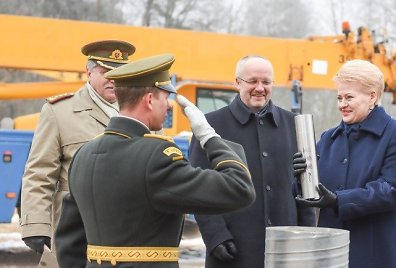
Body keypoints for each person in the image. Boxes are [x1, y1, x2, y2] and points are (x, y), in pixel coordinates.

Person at [54, 53, 256, 267]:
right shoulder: (156, 156)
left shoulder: (84, 154)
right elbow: (239, 188)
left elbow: (69, 244)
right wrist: (209, 136)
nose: (168, 106)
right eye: (164, 97)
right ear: (149, 100)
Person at [293, 59, 396, 268]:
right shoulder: (329, 139)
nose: (341, 104)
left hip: (383, 251)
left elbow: (392, 190)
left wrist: (338, 201)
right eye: (339, 97)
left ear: (372, 96)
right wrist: (300, 177)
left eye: (349, 97)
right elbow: (316, 191)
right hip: (336, 251)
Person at [189, 55, 316, 268]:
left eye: (266, 82)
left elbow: (306, 190)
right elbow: (198, 187)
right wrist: (215, 236)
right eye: (253, 81)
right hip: (233, 249)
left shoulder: (294, 125)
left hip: (285, 249)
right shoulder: (210, 125)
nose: (260, 88)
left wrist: (307, 234)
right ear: (237, 83)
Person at [20, 40, 136, 254]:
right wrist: (35, 225)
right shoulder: (59, 112)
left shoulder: (141, 111)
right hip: (75, 228)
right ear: (89, 73)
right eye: (105, 72)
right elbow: (39, 172)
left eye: (119, 73)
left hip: (129, 227)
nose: (113, 80)